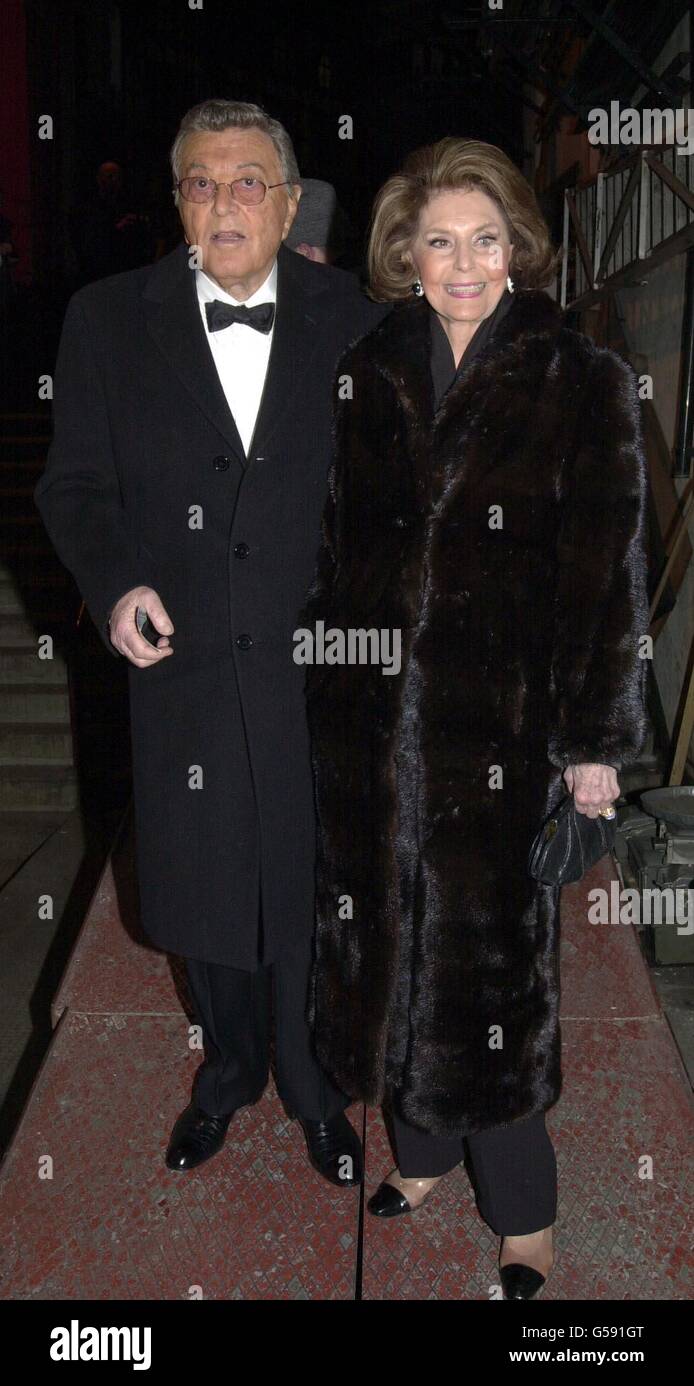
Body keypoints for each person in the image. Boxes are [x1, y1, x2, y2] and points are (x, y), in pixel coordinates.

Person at [301, 137, 650, 1298]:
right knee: (381, 949)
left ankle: (527, 1214)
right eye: (438, 240)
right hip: (368, 726)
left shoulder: (579, 377)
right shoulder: (367, 367)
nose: (460, 263)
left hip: (499, 733)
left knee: (487, 976)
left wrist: (597, 747)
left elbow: (607, 579)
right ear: (404, 251)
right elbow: (336, 549)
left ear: (517, 248)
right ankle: (427, 1154)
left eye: (483, 239)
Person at [34, 99, 386, 1189]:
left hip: (318, 668)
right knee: (203, 888)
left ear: (287, 202)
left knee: (307, 880)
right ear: (175, 202)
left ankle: (316, 1087)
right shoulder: (104, 320)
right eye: (199, 181)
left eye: (246, 183)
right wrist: (115, 581)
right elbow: (76, 486)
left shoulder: (362, 319)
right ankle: (228, 1070)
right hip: (179, 661)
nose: (222, 202)